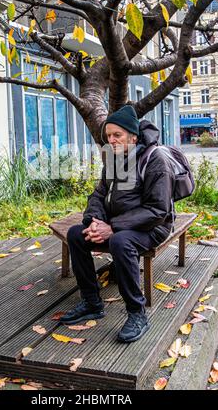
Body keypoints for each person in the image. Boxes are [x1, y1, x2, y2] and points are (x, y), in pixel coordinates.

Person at [60, 104, 176, 343]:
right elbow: (99, 195)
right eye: (108, 136)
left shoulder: (156, 160)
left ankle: (137, 313)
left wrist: (113, 228)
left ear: (133, 136)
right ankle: (92, 302)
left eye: (117, 135)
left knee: (121, 241)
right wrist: (94, 221)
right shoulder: (113, 159)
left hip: (152, 227)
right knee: (75, 234)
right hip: (116, 223)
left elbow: (158, 210)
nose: (111, 141)